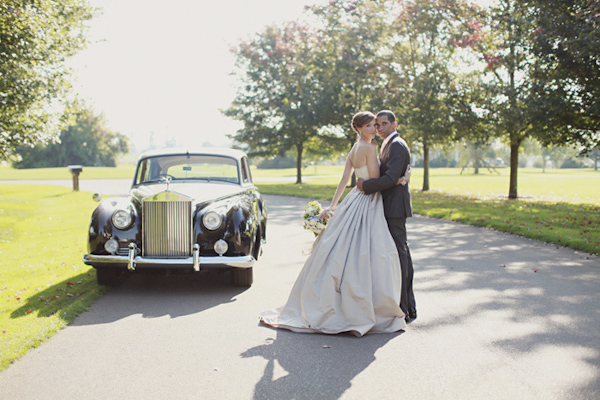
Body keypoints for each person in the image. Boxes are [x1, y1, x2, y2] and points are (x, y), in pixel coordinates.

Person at [260, 111, 409, 337]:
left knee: (343, 247)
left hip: (353, 200)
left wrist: (333, 205)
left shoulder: (354, 148)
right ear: (359, 128)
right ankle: (367, 302)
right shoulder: (369, 148)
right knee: (372, 250)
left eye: (376, 125)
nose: (374, 130)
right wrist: (399, 179)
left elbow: (344, 179)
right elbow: (376, 181)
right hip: (369, 201)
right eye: (370, 126)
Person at [357, 110, 416, 322]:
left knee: (400, 255)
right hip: (387, 204)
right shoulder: (387, 144)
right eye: (377, 124)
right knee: (397, 254)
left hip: (395, 208)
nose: (379, 128)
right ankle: (404, 304)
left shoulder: (398, 145)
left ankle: (405, 306)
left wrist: (366, 186)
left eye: (383, 124)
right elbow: (392, 176)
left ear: (394, 124)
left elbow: (390, 177)